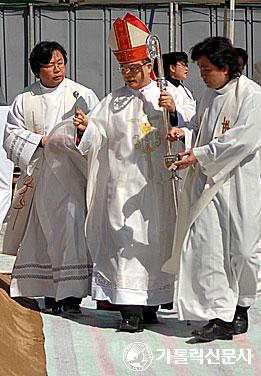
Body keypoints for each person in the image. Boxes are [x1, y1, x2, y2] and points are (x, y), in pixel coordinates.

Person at [76, 13, 191, 332]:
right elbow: (97, 135)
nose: (128, 73)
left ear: (148, 64)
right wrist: (87, 128)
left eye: (134, 67)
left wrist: (172, 112)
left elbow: (191, 126)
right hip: (121, 186)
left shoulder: (168, 94)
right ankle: (130, 310)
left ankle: (151, 303)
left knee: (155, 244)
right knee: (123, 241)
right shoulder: (113, 100)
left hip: (155, 187)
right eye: (124, 68)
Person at [166, 37, 261, 342]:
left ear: (225, 67)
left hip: (239, 183)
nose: (203, 76)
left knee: (245, 251)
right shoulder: (208, 95)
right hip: (209, 186)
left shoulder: (251, 95)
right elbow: (200, 126)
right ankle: (219, 314)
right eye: (200, 70)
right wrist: (185, 134)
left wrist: (201, 154)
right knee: (212, 249)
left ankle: (241, 306)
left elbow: (243, 140)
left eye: (207, 69)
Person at [0, 41, 99, 314]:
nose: (57, 69)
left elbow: (98, 131)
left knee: (72, 229)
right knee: (44, 233)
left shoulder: (82, 94)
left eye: (60, 63)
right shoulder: (25, 100)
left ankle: (71, 296)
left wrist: (81, 133)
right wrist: (41, 141)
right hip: (42, 176)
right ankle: (49, 292)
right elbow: (10, 135)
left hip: (72, 175)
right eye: (49, 65)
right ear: (37, 69)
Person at [162, 52, 196, 123]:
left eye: (187, 65)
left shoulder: (184, 89)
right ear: (172, 68)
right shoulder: (165, 89)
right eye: (183, 65)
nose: (186, 68)